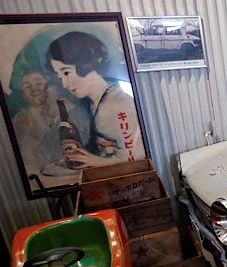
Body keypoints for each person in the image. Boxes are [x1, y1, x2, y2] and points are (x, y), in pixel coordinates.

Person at [46, 31, 146, 168]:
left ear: (86, 65)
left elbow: (136, 158)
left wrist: (97, 161)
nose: (65, 84)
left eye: (66, 72)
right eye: (60, 77)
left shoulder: (119, 104)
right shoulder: (92, 103)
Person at [11, 69, 89, 172]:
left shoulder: (70, 110)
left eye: (38, 84)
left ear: (52, 86)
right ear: (22, 93)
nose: (34, 89)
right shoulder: (19, 120)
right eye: (27, 87)